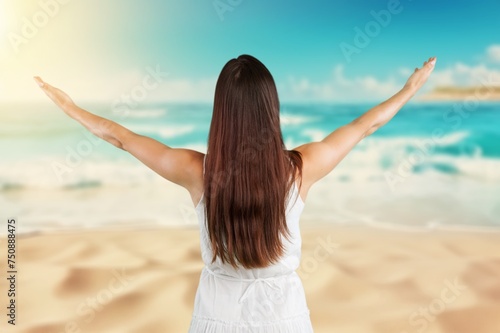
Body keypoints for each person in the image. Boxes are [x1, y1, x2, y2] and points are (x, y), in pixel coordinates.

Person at [34, 54, 436, 332]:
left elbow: (122, 138)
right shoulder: (300, 169)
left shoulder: (198, 172)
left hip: (216, 316)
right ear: (271, 110)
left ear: (220, 113)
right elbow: (365, 126)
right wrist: (408, 90)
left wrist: (71, 108)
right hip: (285, 318)